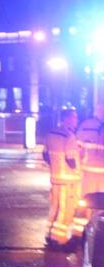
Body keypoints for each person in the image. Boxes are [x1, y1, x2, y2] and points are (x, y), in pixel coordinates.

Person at [44, 108, 81, 249]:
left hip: (55, 178)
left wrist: (55, 167)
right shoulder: (69, 136)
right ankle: (60, 240)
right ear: (67, 119)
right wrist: (79, 172)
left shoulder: (51, 133)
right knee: (65, 210)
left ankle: (49, 235)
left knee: (55, 207)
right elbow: (71, 159)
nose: (76, 121)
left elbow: (45, 155)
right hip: (69, 180)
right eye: (74, 118)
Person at [74, 103, 104, 236]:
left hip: (92, 173)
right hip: (88, 173)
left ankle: (93, 234)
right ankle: (78, 233)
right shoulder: (86, 125)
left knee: (89, 204)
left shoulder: (85, 125)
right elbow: (76, 149)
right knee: (85, 204)